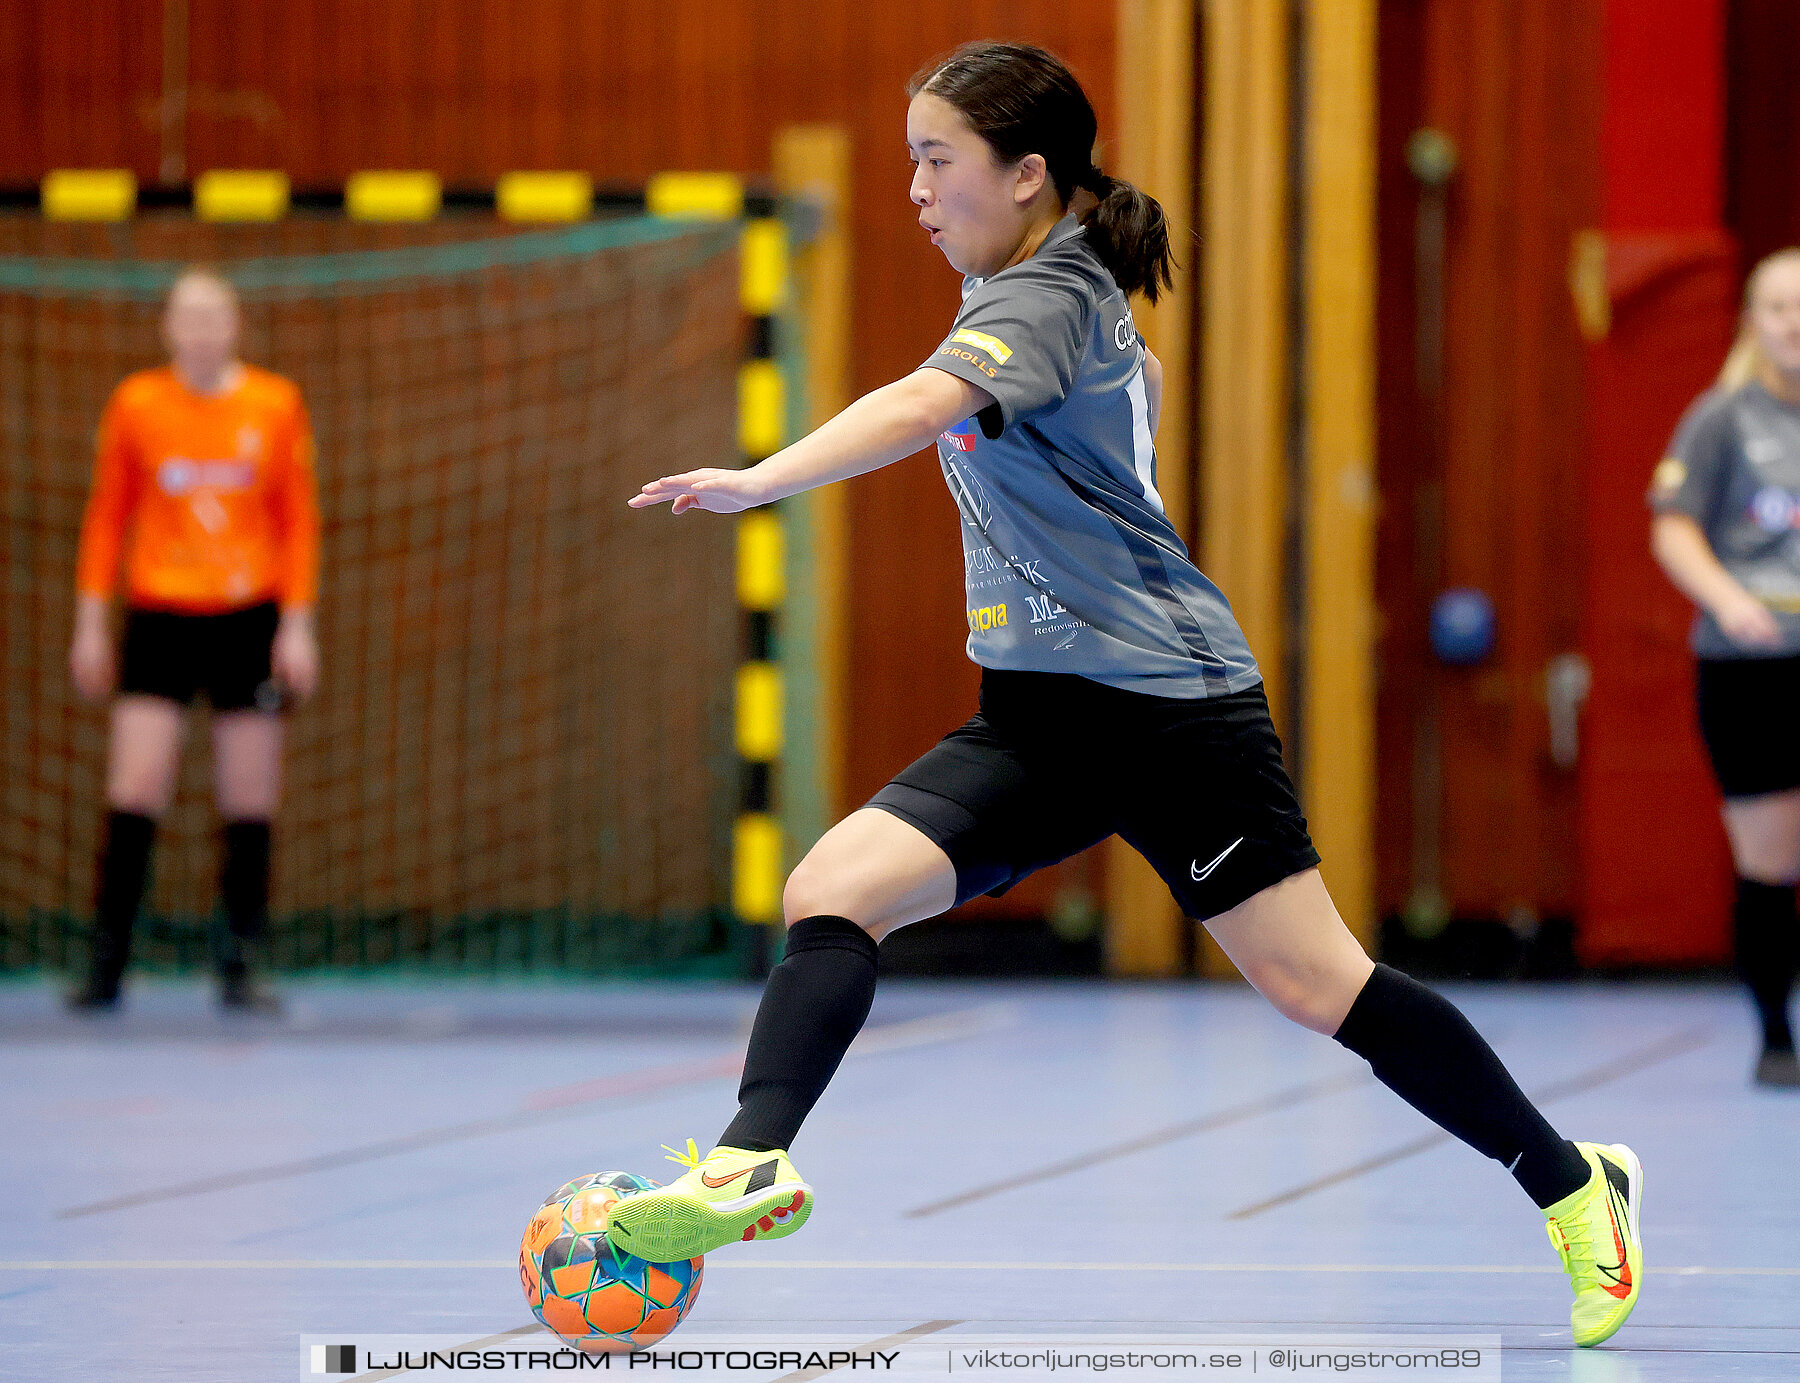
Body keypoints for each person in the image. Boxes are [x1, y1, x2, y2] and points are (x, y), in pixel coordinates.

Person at [614, 42, 1642, 1348]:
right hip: (1039, 716)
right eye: (911, 162)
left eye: (940, 160)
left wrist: (758, 480)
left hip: (1170, 712)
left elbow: (925, 402)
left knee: (1317, 982)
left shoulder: (1043, 295)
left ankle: (1573, 1178)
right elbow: (1124, 396)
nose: (918, 188)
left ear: (1026, 172)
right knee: (832, 887)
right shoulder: (1051, 291)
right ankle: (751, 1161)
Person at [67, 266, 320, 1013]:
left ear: (234, 325)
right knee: (136, 784)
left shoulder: (275, 404)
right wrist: (90, 620)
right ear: (170, 328)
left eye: (215, 316)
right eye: (189, 317)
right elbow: (106, 516)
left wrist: (297, 626)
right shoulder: (137, 404)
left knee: (250, 793)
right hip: (160, 616)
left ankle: (240, 964)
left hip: (248, 616)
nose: (203, 330)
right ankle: (106, 963)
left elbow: (298, 521)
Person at [1650, 246, 1800, 1090]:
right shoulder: (1722, 418)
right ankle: (1777, 1034)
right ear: (1753, 321)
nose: (1794, 325)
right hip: (1751, 666)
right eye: (1780, 308)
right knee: (1770, 857)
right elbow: (1674, 525)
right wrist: (1728, 598)